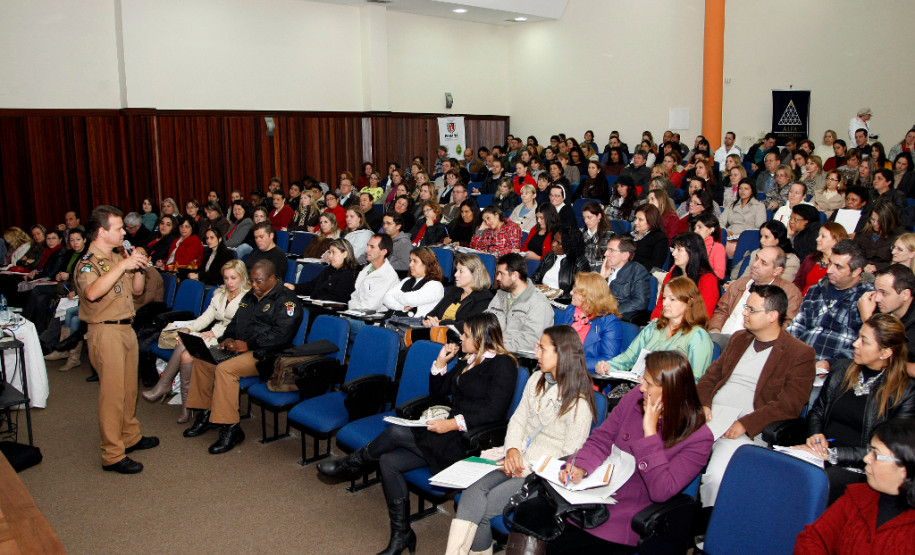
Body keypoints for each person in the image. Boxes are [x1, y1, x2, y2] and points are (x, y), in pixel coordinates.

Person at [317, 313, 518, 555]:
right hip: (446, 433)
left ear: (481, 337)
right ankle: (401, 535)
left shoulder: (503, 364)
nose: (461, 339)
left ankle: (352, 464)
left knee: (395, 433)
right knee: (389, 462)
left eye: (465, 335)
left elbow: (494, 412)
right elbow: (439, 393)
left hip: (468, 441)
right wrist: (441, 364)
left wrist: (452, 424)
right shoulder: (470, 359)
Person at [537, 351, 712, 553]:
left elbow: (661, 491)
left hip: (632, 513)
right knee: (532, 513)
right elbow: (602, 439)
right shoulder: (634, 398)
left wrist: (650, 432)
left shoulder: (698, 437)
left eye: (648, 383)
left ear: (670, 390)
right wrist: (580, 466)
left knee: (563, 544)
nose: (642, 388)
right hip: (596, 494)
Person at [445, 325, 596, 555]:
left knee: (483, 510)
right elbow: (517, 420)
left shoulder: (579, 403)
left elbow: (569, 458)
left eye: (542, 348)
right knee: (471, 493)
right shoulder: (537, 378)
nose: (536, 353)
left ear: (561, 354)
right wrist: (512, 449)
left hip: (540, 477)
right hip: (516, 459)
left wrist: (525, 465)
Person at [697, 284, 816, 507]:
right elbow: (709, 378)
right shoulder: (739, 339)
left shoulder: (799, 354)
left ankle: (708, 530)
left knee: (717, 477)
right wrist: (703, 405)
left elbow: (790, 405)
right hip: (711, 418)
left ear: (773, 316)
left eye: (751, 310)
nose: (744, 313)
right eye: (745, 308)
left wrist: (745, 423)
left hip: (747, 430)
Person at [183, 259, 303, 454]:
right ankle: (206, 414)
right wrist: (226, 337)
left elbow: (281, 335)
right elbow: (236, 322)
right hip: (242, 347)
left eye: (258, 281)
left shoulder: (286, 301)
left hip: (267, 354)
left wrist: (249, 344)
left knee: (225, 370)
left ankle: (231, 428)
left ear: (272, 278)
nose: (254, 285)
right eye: (252, 281)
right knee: (204, 359)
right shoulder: (250, 296)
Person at [794, 313, 915, 504]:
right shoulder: (842, 369)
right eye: (858, 337)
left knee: (809, 484)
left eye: (864, 341)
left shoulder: (905, 392)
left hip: (861, 467)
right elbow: (817, 411)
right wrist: (815, 436)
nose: (855, 344)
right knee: (777, 469)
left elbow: (889, 449)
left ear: (885, 352)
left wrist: (833, 454)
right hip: (818, 454)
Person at [75, 205, 156, 474]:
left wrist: (139, 266)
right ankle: (112, 454)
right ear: (102, 232)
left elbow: (136, 291)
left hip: (125, 328)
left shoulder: (114, 257)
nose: (124, 232)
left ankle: (130, 436)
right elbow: (92, 293)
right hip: (104, 331)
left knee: (128, 389)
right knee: (112, 395)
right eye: (119, 228)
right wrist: (123, 264)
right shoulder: (88, 262)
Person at [142, 260, 250, 423]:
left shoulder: (248, 298)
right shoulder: (220, 294)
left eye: (233, 278)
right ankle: (184, 403)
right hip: (214, 334)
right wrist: (190, 328)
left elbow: (236, 325)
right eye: (226, 278)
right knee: (184, 346)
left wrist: (212, 332)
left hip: (230, 339)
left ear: (242, 277)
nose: (229, 282)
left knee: (186, 350)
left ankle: (167, 388)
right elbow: (206, 317)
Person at [795, 418, 915, 552]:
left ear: (905, 469)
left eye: (876, 454)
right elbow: (812, 538)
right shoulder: (857, 497)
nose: (866, 459)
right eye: (870, 451)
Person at [598, 277, 714, 379]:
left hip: (672, 396)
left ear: (689, 302)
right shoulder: (654, 327)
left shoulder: (698, 337)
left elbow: (696, 380)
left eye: (672, 299)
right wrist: (608, 365)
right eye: (664, 298)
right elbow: (629, 357)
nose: (664, 303)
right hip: (639, 387)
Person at [788, 240, 874, 373]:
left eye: (838, 266)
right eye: (830, 263)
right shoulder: (816, 290)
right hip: (798, 360)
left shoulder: (867, 299)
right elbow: (797, 325)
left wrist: (831, 363)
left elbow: (865, 344)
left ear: (856, 271)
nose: (829, 270)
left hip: (835, 370)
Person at [486, 253, 554, 353]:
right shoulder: (501, 295)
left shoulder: (539, 303)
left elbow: (530, 342)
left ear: (514, 275)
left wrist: (494, 347)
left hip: (513, 357)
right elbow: (485, 321)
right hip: (492, 350)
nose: (497, 278)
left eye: (501, 274)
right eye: (497, 274)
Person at [555, 272, 623, 371]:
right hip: (560, 370)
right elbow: (555, 338)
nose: (571, 292)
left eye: (576, 291)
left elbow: (609, 360)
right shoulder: (571, 310)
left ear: (589, 296)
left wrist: (572, 363)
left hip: (586, 377)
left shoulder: (609, 322)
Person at [651, 232, 719, 321]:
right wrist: (654, 323)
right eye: (674, 249)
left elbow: (703, 314)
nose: (673, 253)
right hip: (667, 324)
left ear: (692, 252)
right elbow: (660, 305)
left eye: (679, 250)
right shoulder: (672, 275)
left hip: (690, 327)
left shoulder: (708, 279)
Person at [423, 252, 493, 330]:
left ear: (474, 274)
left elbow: (469, 325)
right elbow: (433, 313)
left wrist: (440, 324)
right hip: (436, 332)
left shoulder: (484, 297)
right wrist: (429, 321)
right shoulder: (452, 290)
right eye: (456, 270)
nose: (456, 274)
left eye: (461, 271)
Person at [288, 238, 358, 303]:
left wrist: (315, 296)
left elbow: (338, 299)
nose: (330, 256)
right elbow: (312, 285)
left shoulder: (349, 274)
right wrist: (294, 287)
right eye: (330, 252)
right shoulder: (330, 269)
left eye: (333, 252)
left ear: (345, 254)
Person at [382, 247, 445, 317]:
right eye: (410, 260)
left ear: (427, 263)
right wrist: (401, 307)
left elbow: (408, 300)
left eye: (415, 261)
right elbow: (386, 298)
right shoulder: (407, 280)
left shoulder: (435, 285)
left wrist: (396, 295)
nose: (410, 264)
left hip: (413, 325)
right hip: (393, 321)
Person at [530, 227, 590, 299]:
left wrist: (554, 296)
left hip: (560, 302)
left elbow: (578, 292)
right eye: (554, 239)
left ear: (569, 246)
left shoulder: (580, 263)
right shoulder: (549, 256)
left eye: (559, 243)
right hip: (540, 297)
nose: (553, 244)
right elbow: (535, 278)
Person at [731, 220, 800, 282]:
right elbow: (744, 278)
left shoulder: (791, 261)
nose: (761, 241)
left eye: (766, 237)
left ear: (778, 239)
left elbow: (781, 287)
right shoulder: (757, 253)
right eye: (761, 236)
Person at [794, 223, 849, 296]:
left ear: (836, 240)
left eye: (823, 236)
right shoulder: (810, 259)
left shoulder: (843, 265)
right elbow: (797, 284)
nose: (817, 239)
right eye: (818, 235)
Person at [720, 178, 766, 257]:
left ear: (752, 190)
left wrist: (743, 235)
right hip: (730, 235)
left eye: (746, 189)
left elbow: (760, 226)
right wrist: (726, 231)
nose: (742, 191)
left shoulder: (759, 206)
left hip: (747, 236)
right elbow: (720, 220)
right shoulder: (731, 204)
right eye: (740, 188)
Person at [855, 201, 905, 274]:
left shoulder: (900, 236)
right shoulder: (862, 234)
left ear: (889, 221)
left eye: (880, 221)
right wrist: (865, 265)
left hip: (888, 273)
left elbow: (902, 262)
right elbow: (855, 256)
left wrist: (877, 267)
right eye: (872, 219)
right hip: (862, 272)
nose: (875, 224)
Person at [631, 203, 670, 272]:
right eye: (635, 218)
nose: (635, 222)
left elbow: (655, 266)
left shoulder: (659, 239)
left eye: (640, 219)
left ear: (651, 221)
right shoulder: (627, 235)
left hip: (641, 276)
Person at [691, 213, 726, 280]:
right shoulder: (691, 245)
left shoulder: (718, 248)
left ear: (711, 229)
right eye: (695, 228)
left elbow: (719, 274)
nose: (696, 231)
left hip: (707, 282)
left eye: (700, 227)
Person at [580, 201, 614, 271]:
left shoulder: (609, 235)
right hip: (581, 272)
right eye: (584, 218)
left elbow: (609, 261)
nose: (586, 221)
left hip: (599, 273)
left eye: (589, 217)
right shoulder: (580, 233)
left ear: (599, 216)